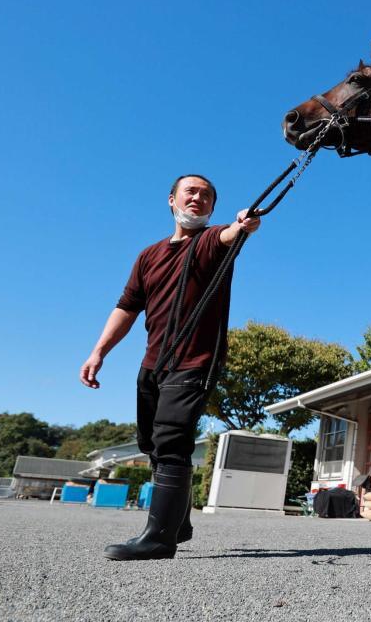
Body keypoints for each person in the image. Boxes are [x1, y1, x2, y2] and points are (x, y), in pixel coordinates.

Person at [79, 174, 260, 560]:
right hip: (153, 362)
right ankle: (178, 522)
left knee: (171, 440)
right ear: (172, 200)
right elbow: (127, 308)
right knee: (152, 445)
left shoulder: (211, 241)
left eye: (207, 195)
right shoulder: (148, 256)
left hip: (195, 359)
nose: (198, 198)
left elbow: (233, 234)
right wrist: (99, 352)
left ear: (212, 207)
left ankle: (159, 538)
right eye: (190, 191)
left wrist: (243, 223)